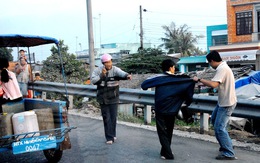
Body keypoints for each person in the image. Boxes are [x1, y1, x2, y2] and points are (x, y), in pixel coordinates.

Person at [141, 59, 195, 160]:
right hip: (172, 110)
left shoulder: (159, 78)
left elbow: (144, 85)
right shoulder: (179, 79)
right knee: (169, 131)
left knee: (162, 132)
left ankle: (168, 153)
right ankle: (164, 151)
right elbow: (189, 91)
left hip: (160, 108)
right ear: (171, 67)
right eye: (174, 67)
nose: (174, 69)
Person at [193, 50, 237, 160]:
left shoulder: (222, 69)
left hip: (226, 103)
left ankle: (228, 152)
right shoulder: (223, 67)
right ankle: (227, 145)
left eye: (209, 63)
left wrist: (199, 79)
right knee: (214, 121)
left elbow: (214, 84)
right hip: (223, 102)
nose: (210, 65)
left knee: (219, 128)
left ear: (212, 61)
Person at [91, 53, 132, 145]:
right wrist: (102, 75)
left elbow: (122, 73)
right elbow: (93, 81)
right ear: (103, 63)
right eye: (106, 63)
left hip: (113, 97)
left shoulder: (115, 69)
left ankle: (112, 134)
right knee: (106, 118)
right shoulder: (98, 70)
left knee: (113, 117)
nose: (108, 64)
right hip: (103, 97)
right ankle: (109, 137)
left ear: (111, 61)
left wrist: (127, 75)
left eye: (109, 62)